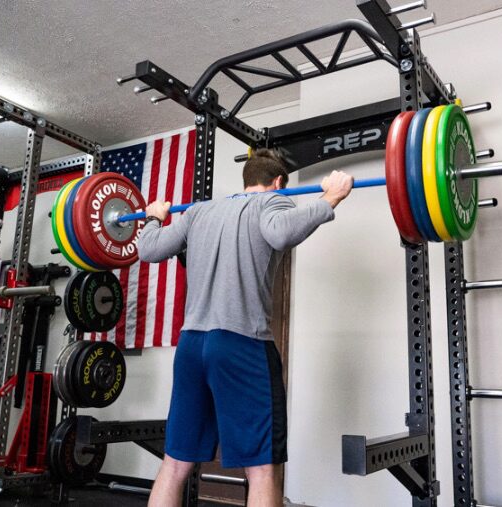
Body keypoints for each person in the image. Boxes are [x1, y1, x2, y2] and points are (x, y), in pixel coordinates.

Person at [137, 149, 353, 507]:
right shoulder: (271, 202)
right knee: (262, 468)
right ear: (278, 183)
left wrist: (154, 218)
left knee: (175, 463)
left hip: (191, 346)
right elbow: (281, 233)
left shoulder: (198, 212)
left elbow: (149, 249)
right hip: (241, 346)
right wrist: (332, 196)